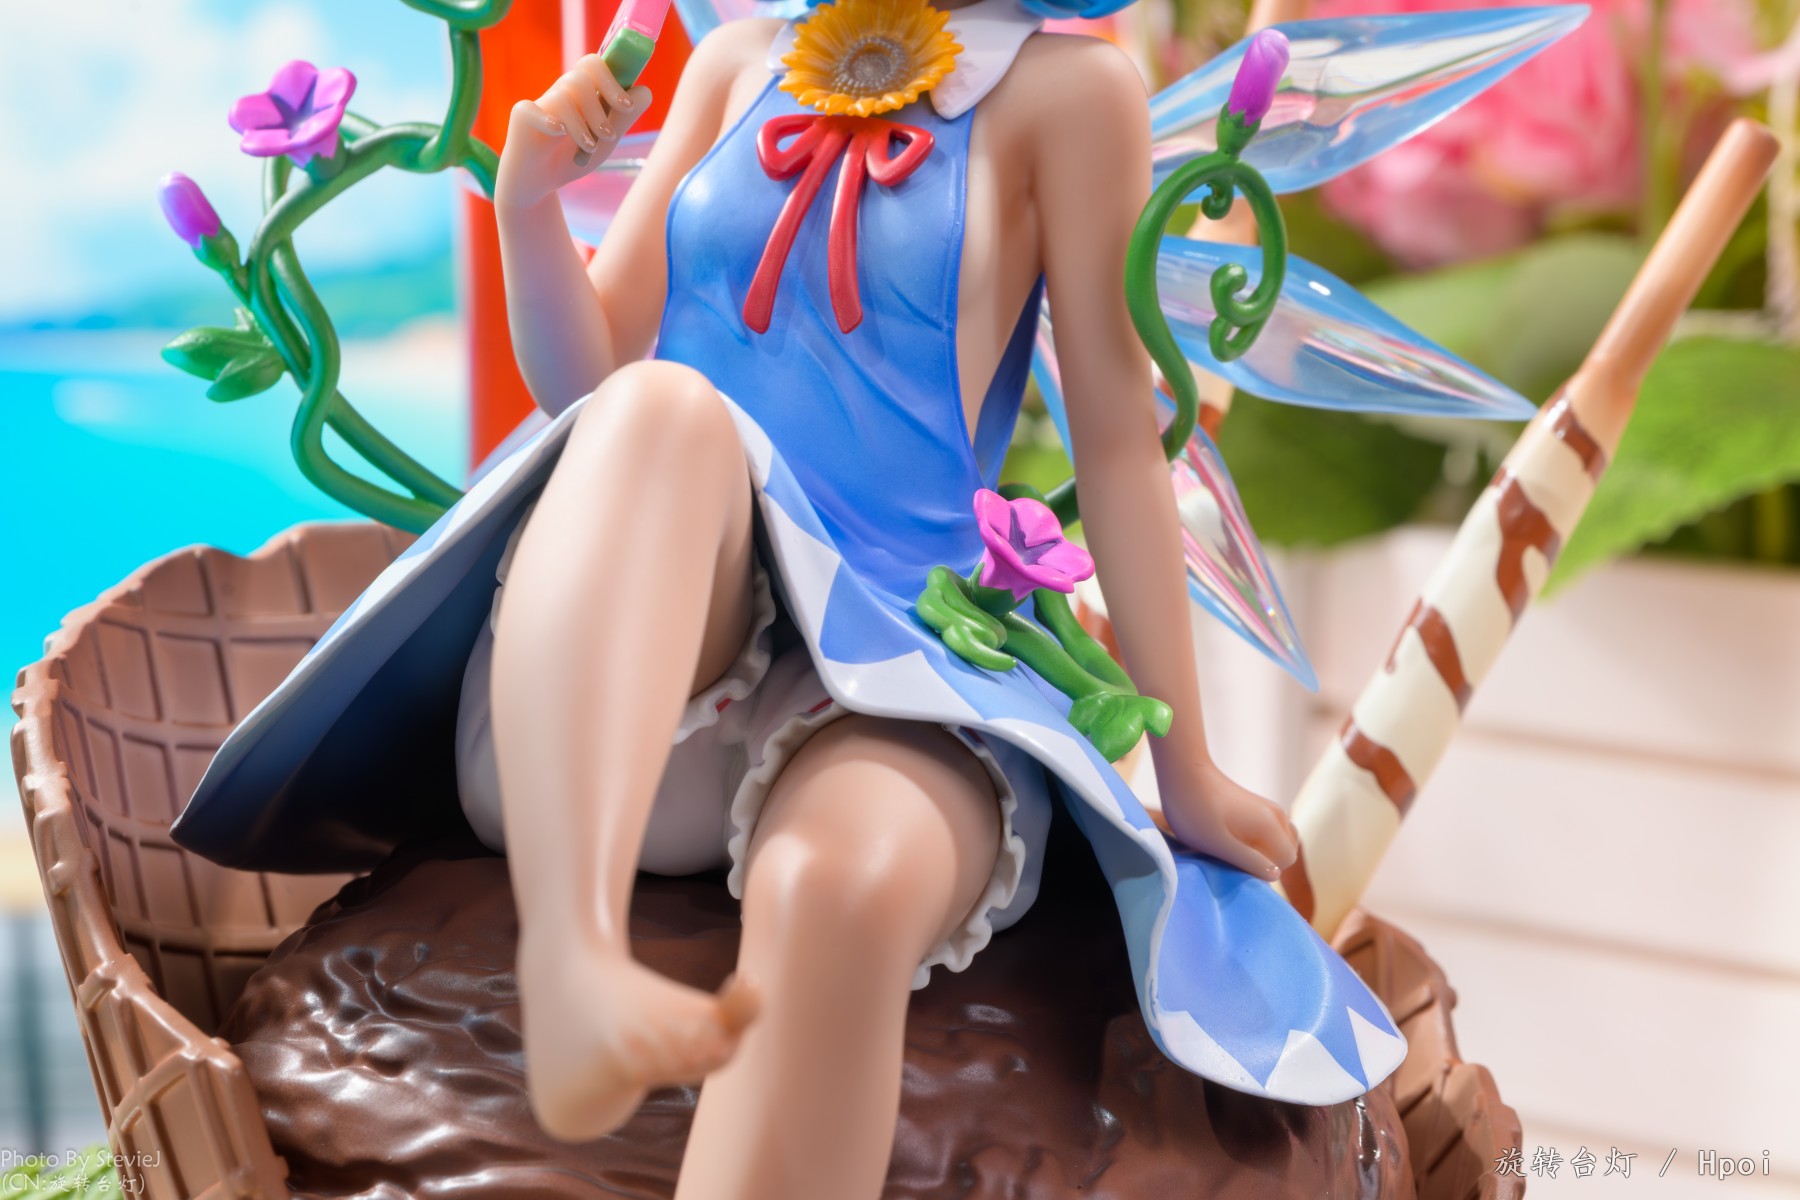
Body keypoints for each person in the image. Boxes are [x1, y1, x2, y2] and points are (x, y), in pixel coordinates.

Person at [173, 1, 1406, 1195]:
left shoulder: (1071, 95)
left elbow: (1119, 441)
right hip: (658, 651)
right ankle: (575, 958)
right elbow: (587, 376)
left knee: (837, 891)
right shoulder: (735, 64)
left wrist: (1186, 771)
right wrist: (528, 204)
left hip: (901, 661)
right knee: (660, 409)